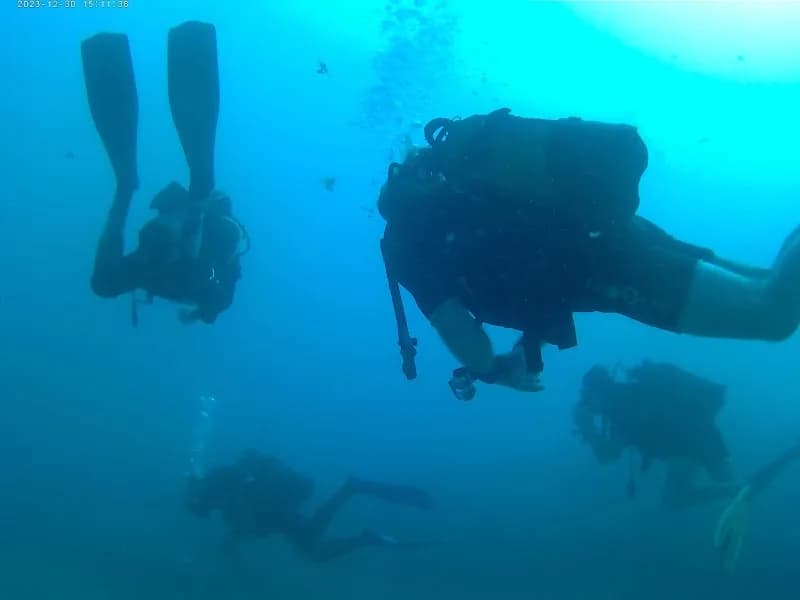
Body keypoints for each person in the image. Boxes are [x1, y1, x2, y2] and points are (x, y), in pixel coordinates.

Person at [378, 108, 800, 395]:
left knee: (770, 315)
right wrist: (531, 347)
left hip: (607, 269)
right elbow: (527, 271)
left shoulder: (410, 246)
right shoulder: (459, 192)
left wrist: (491, 372)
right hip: (610, 231)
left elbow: (456, 326)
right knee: (766, 283)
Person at [81, 22, 247, 326]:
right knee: (200, 193)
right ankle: (186, 192)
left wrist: (125, 194)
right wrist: (196, 219)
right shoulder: (210, 277)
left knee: (105, 284)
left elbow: (104, 283)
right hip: (191, 259)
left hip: (176, 264)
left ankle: (127, 186)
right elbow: (210, 287)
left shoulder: (178, 275)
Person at [575, 361, 800, 571]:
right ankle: (759, 479)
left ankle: (741, 490)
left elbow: (609, 455)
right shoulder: (630, 395)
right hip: (702, 432)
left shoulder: (621, 407)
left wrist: (585, 426)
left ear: (598, 392)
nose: (588, 404)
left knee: (675, 498)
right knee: (724, 479)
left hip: (683, 444)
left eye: (588, 398)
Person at [185, 450, 435, 562]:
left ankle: (351, 494)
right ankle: (357, 512)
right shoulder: (218, 487)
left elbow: (246, 512)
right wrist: (233, 538)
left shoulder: (219, 484)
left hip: (277, 510)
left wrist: (234, 536)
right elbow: (244, 514)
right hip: (277, 511)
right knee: (314, 550)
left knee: (314, 549)